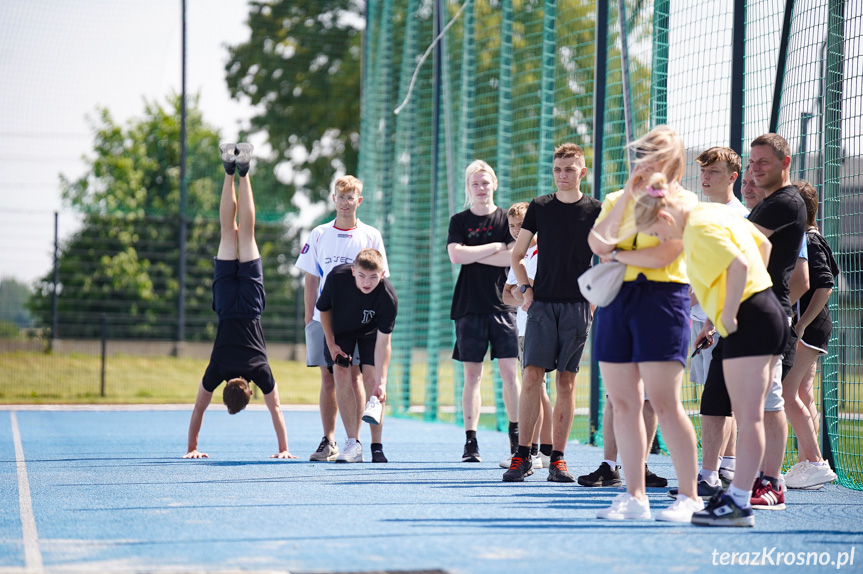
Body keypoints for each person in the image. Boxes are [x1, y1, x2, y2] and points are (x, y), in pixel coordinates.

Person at [634, 170, 785, 527]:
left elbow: (738, 264)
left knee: (748, 417)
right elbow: (762, 249)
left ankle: (738, 503)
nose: (658, 239)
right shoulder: (714, 216)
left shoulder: (698, 229)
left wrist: (729, 313)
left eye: (656, 231)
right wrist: (718, 310)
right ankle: (737, 498)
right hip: (762, 313)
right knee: (749, 416)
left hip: (750, 319)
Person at [587, 126, 700, 522]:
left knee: (664, 403)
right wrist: (627, 202)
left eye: (658, 155)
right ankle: (634, 496)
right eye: (644, 154)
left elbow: (666, 254)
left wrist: (617, 256)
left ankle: (690, 495)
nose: (648, 161)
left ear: (674, 161)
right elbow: (597, 243)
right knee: (623, 403)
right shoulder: (619, 198)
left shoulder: (685, 202)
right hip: (617, 302)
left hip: (662, 301)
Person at [697, 134, 806, 511]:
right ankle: (736, 487)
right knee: (739, 406)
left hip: (761, 314)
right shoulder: (767, 204)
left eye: (764, 162)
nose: (756, 169)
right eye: (753, 162)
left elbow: (746, 254)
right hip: (743, 314)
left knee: (763, 407)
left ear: (785, 162)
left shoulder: (785, 203)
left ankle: (764, 484)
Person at [184, 143, 297, 460]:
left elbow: (276, 410)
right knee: (227, 231)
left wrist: (284, 449)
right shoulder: (216, 369)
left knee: (245, 232)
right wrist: (191, 447)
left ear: (250, 391)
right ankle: (228, 171)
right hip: (224, 304)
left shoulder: (260, 370)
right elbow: (198, 409)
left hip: (249, 306)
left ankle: (244, 171)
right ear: (226, 390)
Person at [504, 142, 601, 483]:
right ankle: (523, 455)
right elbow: (517, 256)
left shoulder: (596, 210)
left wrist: (593, 301)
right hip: (542, 306)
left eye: (570, 169)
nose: (563, 175)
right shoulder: (540, 207)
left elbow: (608, 260)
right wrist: (526, 289)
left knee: (566, 382)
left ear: (582, 172)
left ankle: (557, 459)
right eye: (558, 169)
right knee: (532, 376)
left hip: (577, 307)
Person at [295, 176, 391, 463]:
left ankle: (356, 441)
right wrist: (309, 318)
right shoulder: (319, 234)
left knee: (357, 374)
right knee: (328, 377)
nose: (346, 202)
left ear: (359, 201)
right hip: (326, 318)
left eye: (351, 197)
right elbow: (311, 279)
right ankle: (329, 440)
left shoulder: (371, 235)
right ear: (333, 198)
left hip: (362, 321)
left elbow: (381, 278)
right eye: (341, 196)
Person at [676, 147, 749, 500]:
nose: (706, 178)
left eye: (715, 172)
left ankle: (725, 466)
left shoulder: (741, 216)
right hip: (698, 316)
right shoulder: (699, 213)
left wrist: (717, 315)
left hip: (724, 318)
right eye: (704, 171)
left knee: (724, 395)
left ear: (733, 177)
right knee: (712, 391)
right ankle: (722, 465)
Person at [447, 160, 521, 463]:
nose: (480, 188)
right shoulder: (459, 220)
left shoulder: (506, 219)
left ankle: (517, 439)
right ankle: (471, 442)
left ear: (495, 184)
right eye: (475, 183)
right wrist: (493, 247)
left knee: (509, 373)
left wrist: (474, 253)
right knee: (473, 375)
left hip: (504, 305)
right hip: (469, 306)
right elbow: (455, 255)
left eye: (485, 182)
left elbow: (511, 258)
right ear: (469, 187)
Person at [316, 248, 398, 463]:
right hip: (341, 331)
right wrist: (331, 344)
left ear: (382, 274)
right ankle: (353, 444)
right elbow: (324, 309)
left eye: (373, 277)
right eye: (361, 275)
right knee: (341, 375)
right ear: (353, 271)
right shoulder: (336, 278)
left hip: (370, 334)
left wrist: (382, 381)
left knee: (373, 381)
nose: (367, 282)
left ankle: (377, 446)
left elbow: (383, 343)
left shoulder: (388, 296)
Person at [782, 180, 839, 489]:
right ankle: (809, 462)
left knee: (786, 392)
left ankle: (815, 462)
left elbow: (825, 284)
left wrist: (802, 323)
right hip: (813, 325)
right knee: (804, 393)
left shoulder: (809, 240)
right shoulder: (809, 238)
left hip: (809, 327)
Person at [502, 202, 551, 469]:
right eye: (512, 226)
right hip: (524, 327)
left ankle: (543, 449)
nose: (516, 230)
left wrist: (528, 289)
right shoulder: (520, 256)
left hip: (543, 325)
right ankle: (537, 450)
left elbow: (540, 288)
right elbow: (507, 294)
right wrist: (524, 292)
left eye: (522, 226)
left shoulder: (544, 252)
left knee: (538, 386)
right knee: (535, 387)